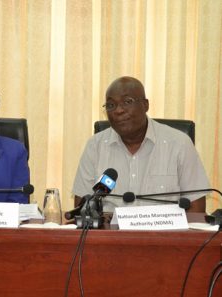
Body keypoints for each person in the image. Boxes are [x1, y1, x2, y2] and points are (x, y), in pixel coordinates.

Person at [73, 76, 210, 213]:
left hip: (164, 233)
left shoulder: (179, 144)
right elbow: (82, 208)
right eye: (110, 105)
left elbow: (196, 210)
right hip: (110, 232)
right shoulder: (95, 146)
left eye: (127, 102)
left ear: (145, 105)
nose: (118, 110)